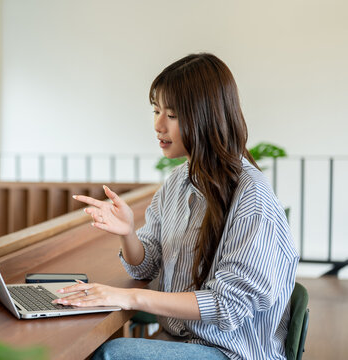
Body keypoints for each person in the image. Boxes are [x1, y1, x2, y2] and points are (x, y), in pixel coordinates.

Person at [52, 53, 299, 360]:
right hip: (180, 341)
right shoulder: (177, 182)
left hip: (231, 352)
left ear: (205, 116)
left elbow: (229, 305)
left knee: (111, 355)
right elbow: (146, 265)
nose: (158, 125)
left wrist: (130, 297)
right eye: (156, 111)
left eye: (171, 115)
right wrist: (127, 232)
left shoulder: (252, 195)